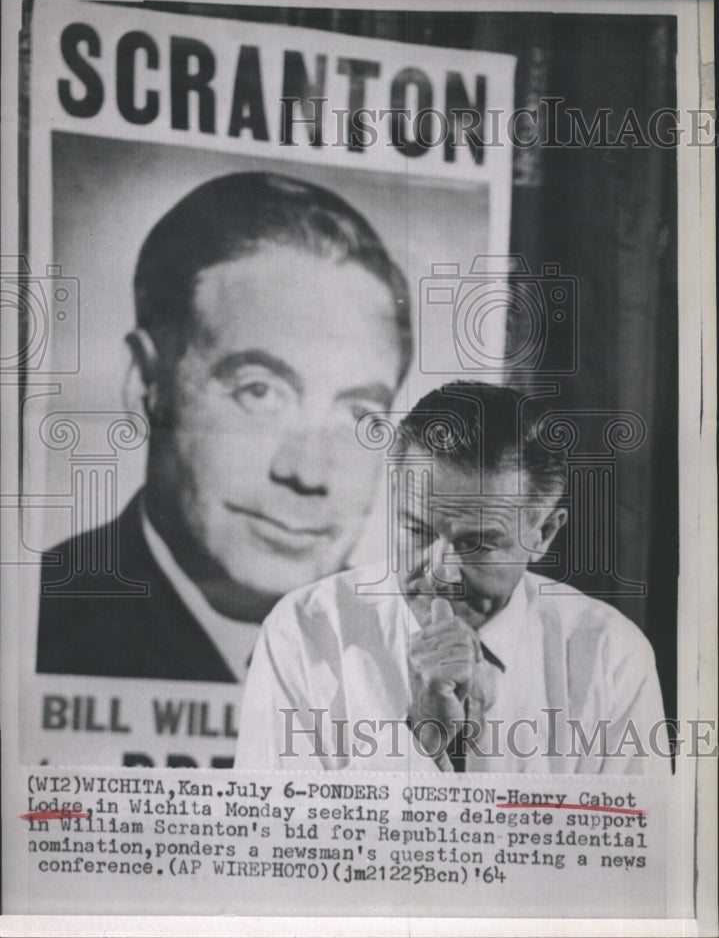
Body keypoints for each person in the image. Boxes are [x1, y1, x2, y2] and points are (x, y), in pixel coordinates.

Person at [37, 171, 411, 682]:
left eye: (358, 416)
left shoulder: (401, 649)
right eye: (259, 392)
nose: (308, 474)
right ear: (146, 385)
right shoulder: (37, 625)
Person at [236, 382, 669, 773]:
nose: (441, 571)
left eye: (477, 543)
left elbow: (634, 834)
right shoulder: (305, 631)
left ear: (543, 533)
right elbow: (276, 832)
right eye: (416, 530)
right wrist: (420, 738)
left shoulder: (610, 654)